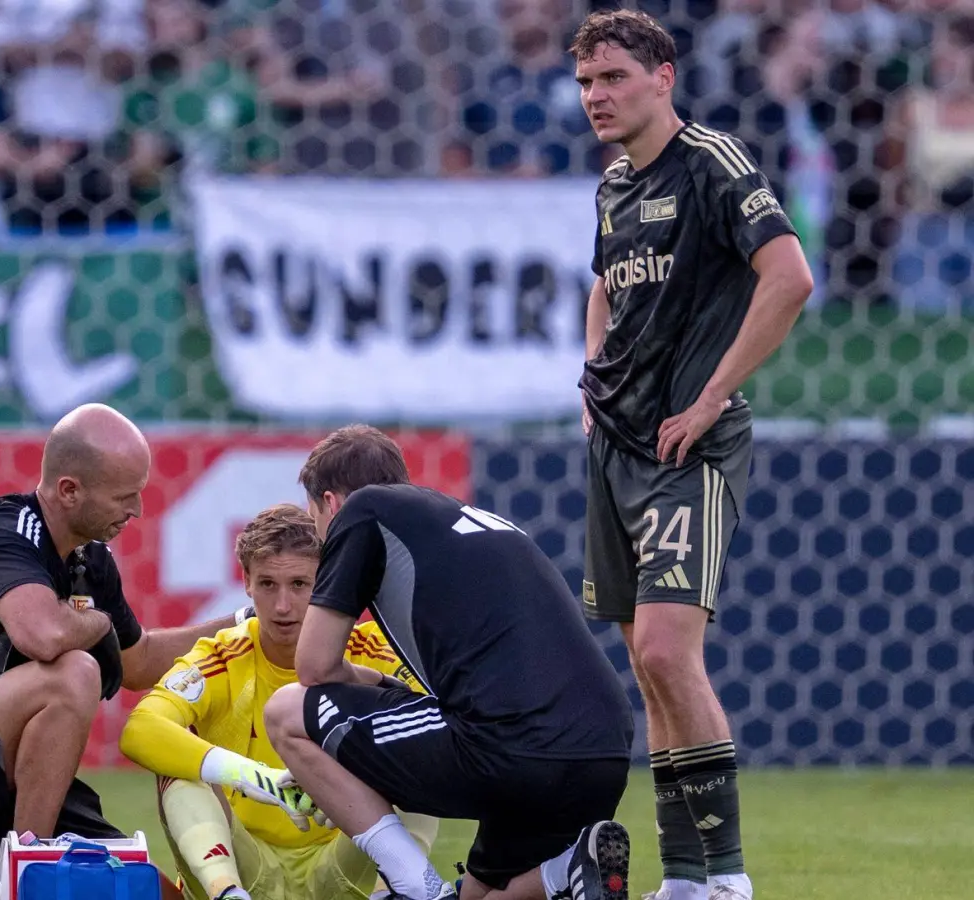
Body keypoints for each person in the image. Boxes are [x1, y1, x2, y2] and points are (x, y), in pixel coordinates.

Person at [570, 10, 816, 900]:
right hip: (618, 446)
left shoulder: (712, 162)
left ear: (663, 76)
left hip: (690, 446)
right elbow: (605, 288)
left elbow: (790, 277)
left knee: (672, 655)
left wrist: (710, 397)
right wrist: (592, 374)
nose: (596, 96)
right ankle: (681, 879)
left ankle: (730, 878)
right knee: (647, 666)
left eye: (613, 78)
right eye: (586, 82)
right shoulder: (614, 186)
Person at [0, 402, 250, 898]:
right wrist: (99, 622)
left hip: (9, 780)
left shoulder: (91, 560)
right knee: (74, 673)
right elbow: (42, 636)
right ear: (69, 490)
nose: (137, 509)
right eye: (124, 496)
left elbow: (139, 662)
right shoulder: (2, 534)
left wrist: (247, 624)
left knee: (147, 891)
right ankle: (30, 872)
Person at [262, 425, 636, 900]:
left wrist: (336, 756)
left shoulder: (362, 510)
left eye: (314, 517)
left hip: (515, 745)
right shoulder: (477, 522)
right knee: (478, 894)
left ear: (330, 504)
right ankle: (565, 873)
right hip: (604, 752)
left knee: (288, 712)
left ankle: (415, 888)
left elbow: (314, 669)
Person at [121, 503, 440, 900]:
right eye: (268, 584)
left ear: (328, 581)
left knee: (423, 744)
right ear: (246, 582)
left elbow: (447, 728)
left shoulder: (373, 650)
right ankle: (226, 893)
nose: (282, 606)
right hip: (247, 869)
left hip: (345, 868)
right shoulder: (222, 655)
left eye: (299, 584)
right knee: (177, 766)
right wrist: (254, 777)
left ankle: (395, 892)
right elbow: (139, 729)